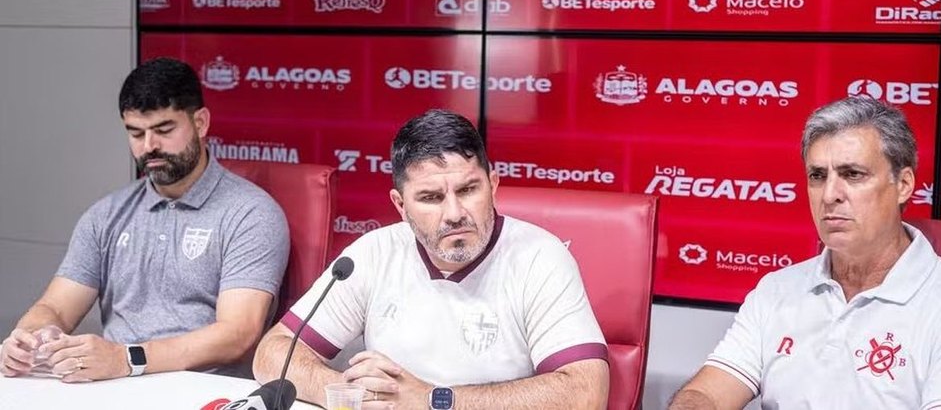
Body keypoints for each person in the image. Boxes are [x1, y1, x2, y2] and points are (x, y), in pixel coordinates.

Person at [253, 109, 609, 409]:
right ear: (400, 205)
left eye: (469, 190)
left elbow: (585, 391)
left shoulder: (540, 258)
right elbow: (272, 354)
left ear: (494, 184)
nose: (455, 213)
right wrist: (358, 396)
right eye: (431, 197)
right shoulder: (373, 253)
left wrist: (433, 400)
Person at [0, 58, 290, 382]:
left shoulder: (251, 213)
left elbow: (237, 334)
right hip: (110, 387)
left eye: (164, 130)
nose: (149, 146)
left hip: (203, 392)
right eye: (136, 133)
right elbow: (54, 307)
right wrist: (27, 337)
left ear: (201, 123)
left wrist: (127, 358)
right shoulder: (105, 215)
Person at [668, 96, 941, 409]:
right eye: (818, 176)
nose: (829, 195)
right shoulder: (777, 289)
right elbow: (707, 394)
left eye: (852, 174)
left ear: (904, 184)